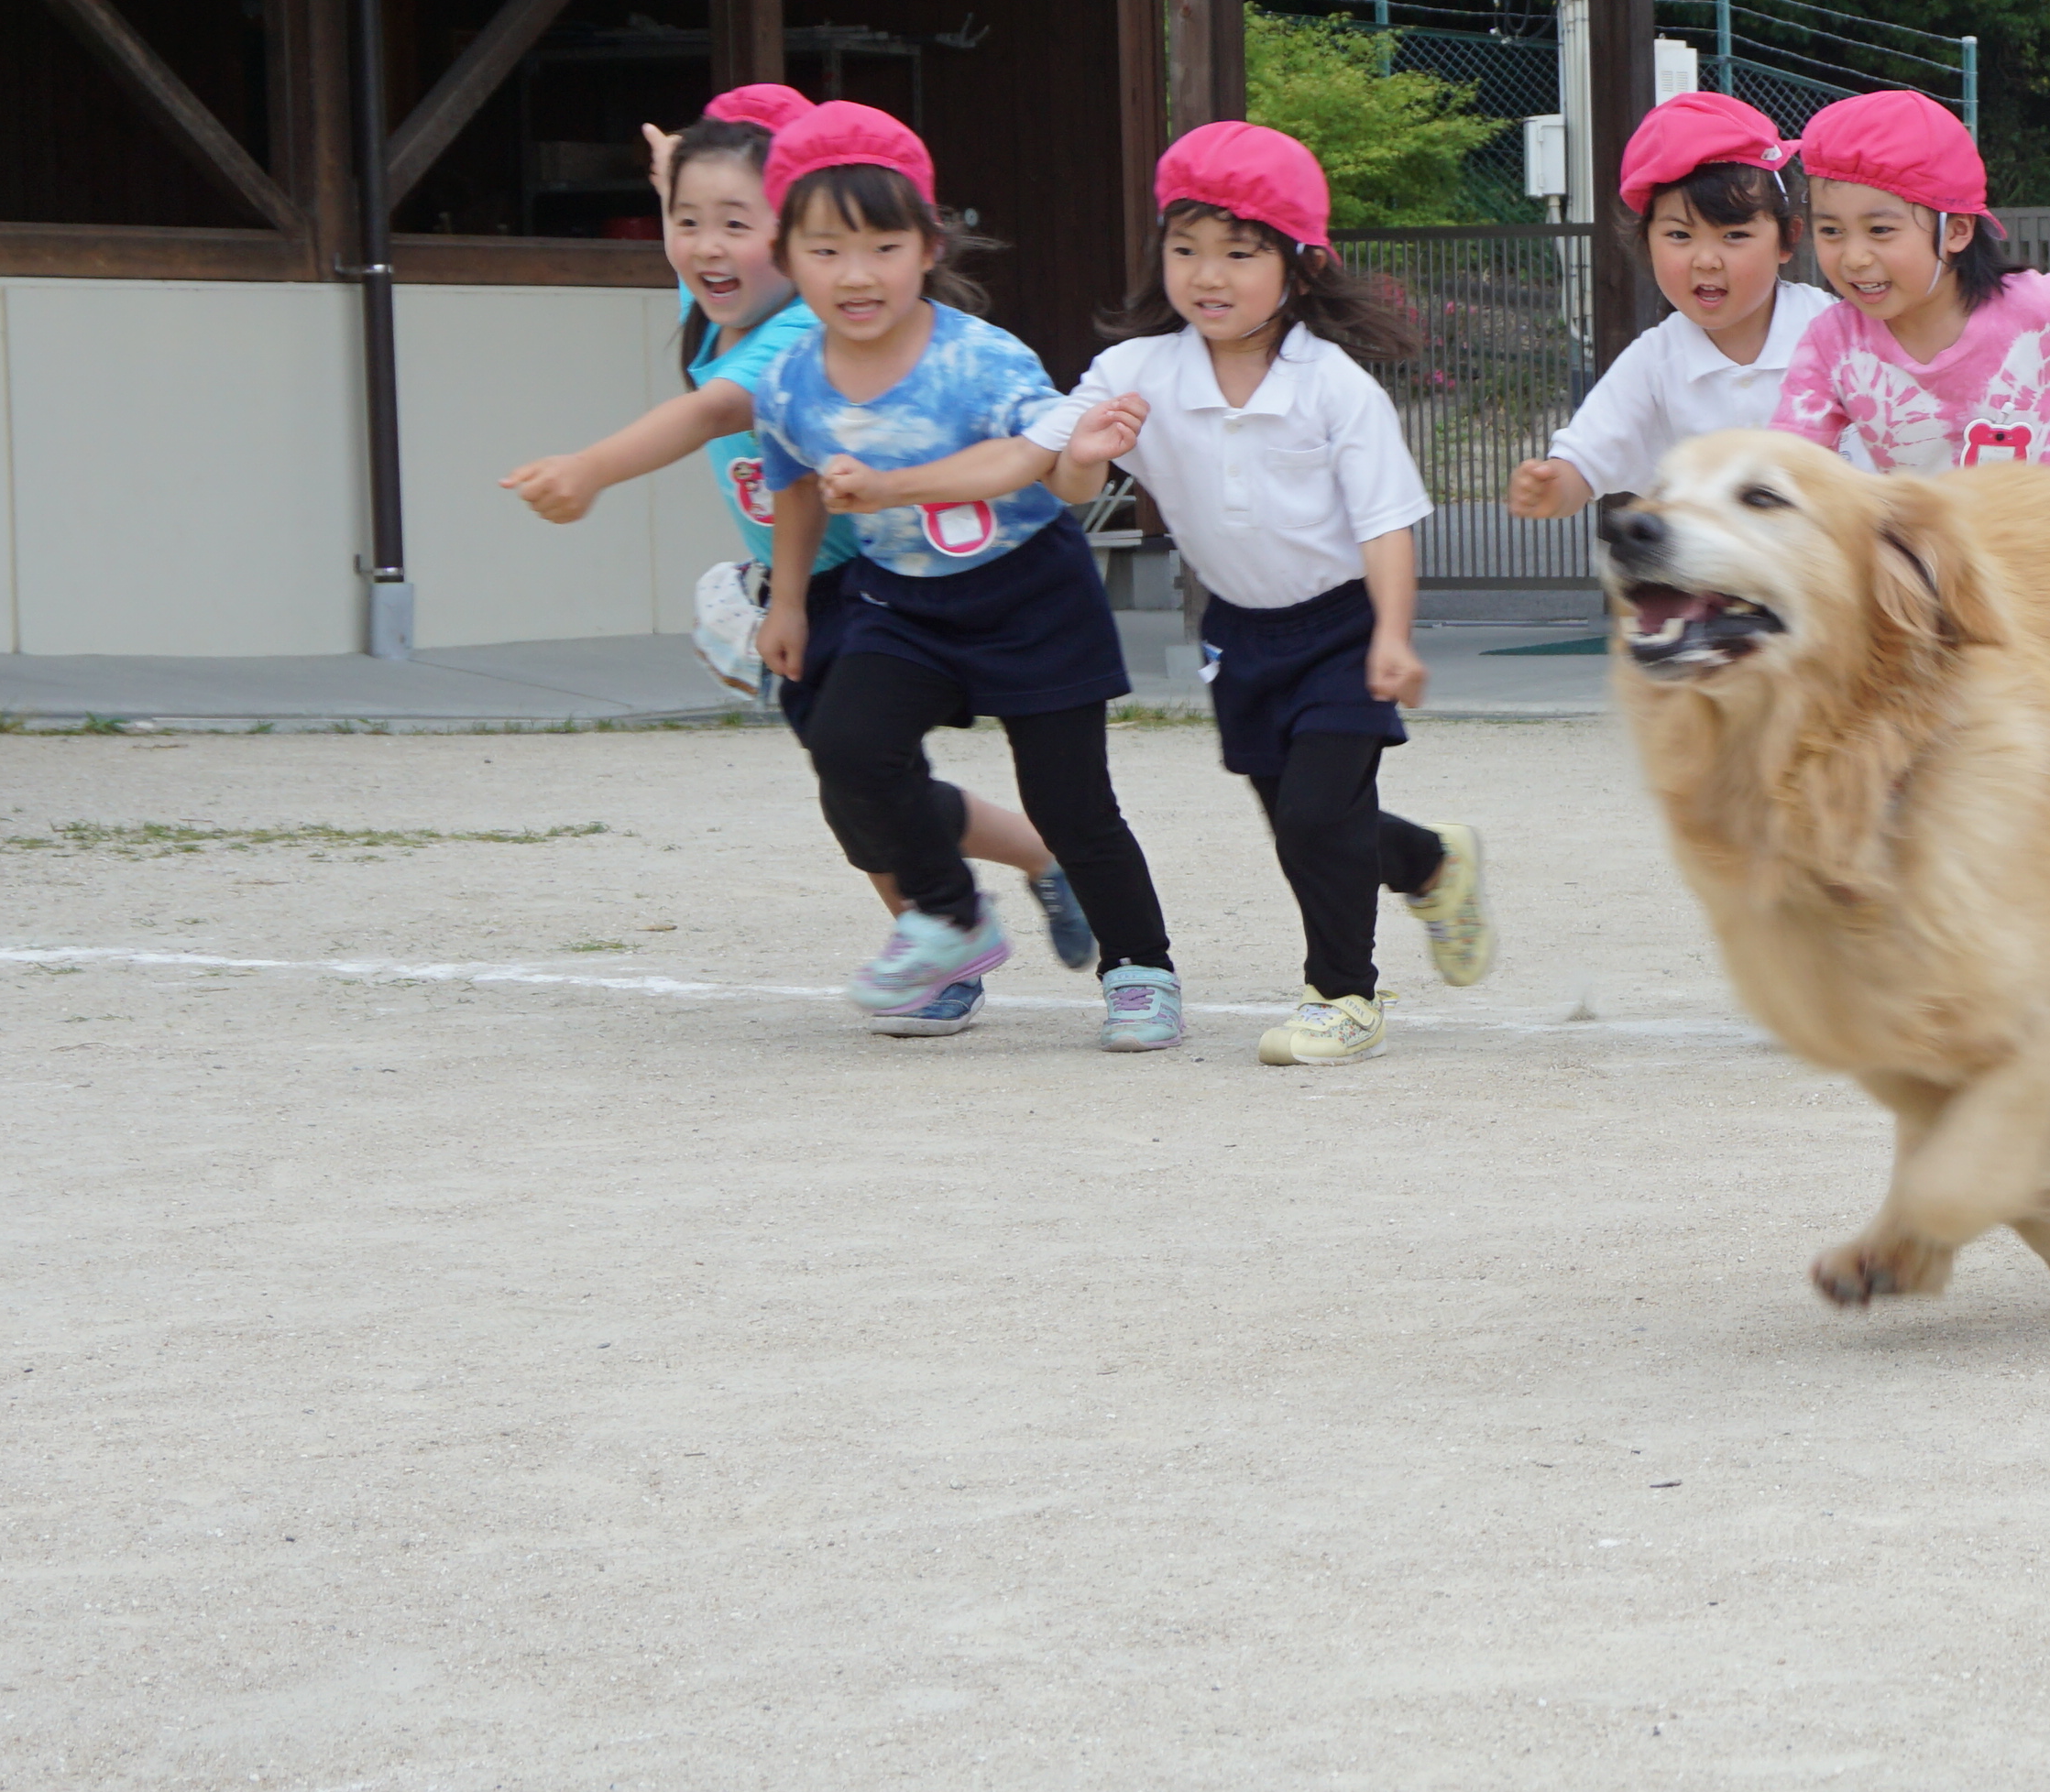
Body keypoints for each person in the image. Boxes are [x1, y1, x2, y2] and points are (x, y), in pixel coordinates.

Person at [489, 85, 1089, 1017]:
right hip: (804, 586)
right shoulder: (721, 301)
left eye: (738, 222)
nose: (706, 246)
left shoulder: (798, 333)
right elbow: (702, 250)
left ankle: (950, 936)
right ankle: (1030, 868)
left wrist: (594, 467)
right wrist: (674, 188)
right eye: (687, 222)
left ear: (790, 239)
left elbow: (710, 413)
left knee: (861, 780)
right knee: (862, 788)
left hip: (872, 585)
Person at [733, 103, 1186, 1050]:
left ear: (929, 246)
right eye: (825, 250)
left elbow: (1032, 463)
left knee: (1071, 804)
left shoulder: (982, 358)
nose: (857, 275)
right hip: (904, 603)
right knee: (850, 747)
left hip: (1032, 598)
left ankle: (1140, 968)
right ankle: (953, 919)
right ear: (786, 253)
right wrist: (785, 601)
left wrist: (901, 482)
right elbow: (793, 487)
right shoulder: (785, 379)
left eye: (884, 246)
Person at [1042, 123, 1493, 1070]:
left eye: (1239, 253)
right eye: (1185, 248)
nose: (1208, 274)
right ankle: (1428, 862)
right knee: (1302, 816)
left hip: (1343, 625)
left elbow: (1385, 522)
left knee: (1315, 818)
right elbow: (1069, 477)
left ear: (1298, 265)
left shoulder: (1333, 386)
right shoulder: (1137, 371)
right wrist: (1080, 459)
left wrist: (1396, 637)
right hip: (1239, 632)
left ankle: (1345, 997)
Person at [1772, 90, 2050, 477]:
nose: (1854, 257)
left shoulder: (2035, 309)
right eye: (1831, 231)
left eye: (1880, 231)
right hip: (1945, 563)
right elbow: (1794, 463)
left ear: (1957, 231)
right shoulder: (1833, 342)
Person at [1507, 93, 1840, 519]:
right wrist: (1555, 486)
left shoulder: (1834, 333)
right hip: (1712, 580)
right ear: (1647, 242)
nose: (1706, 259)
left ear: (1788, 239)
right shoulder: (1656, 361)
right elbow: (1586, 457)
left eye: (1734, 235)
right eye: (1680, 236)